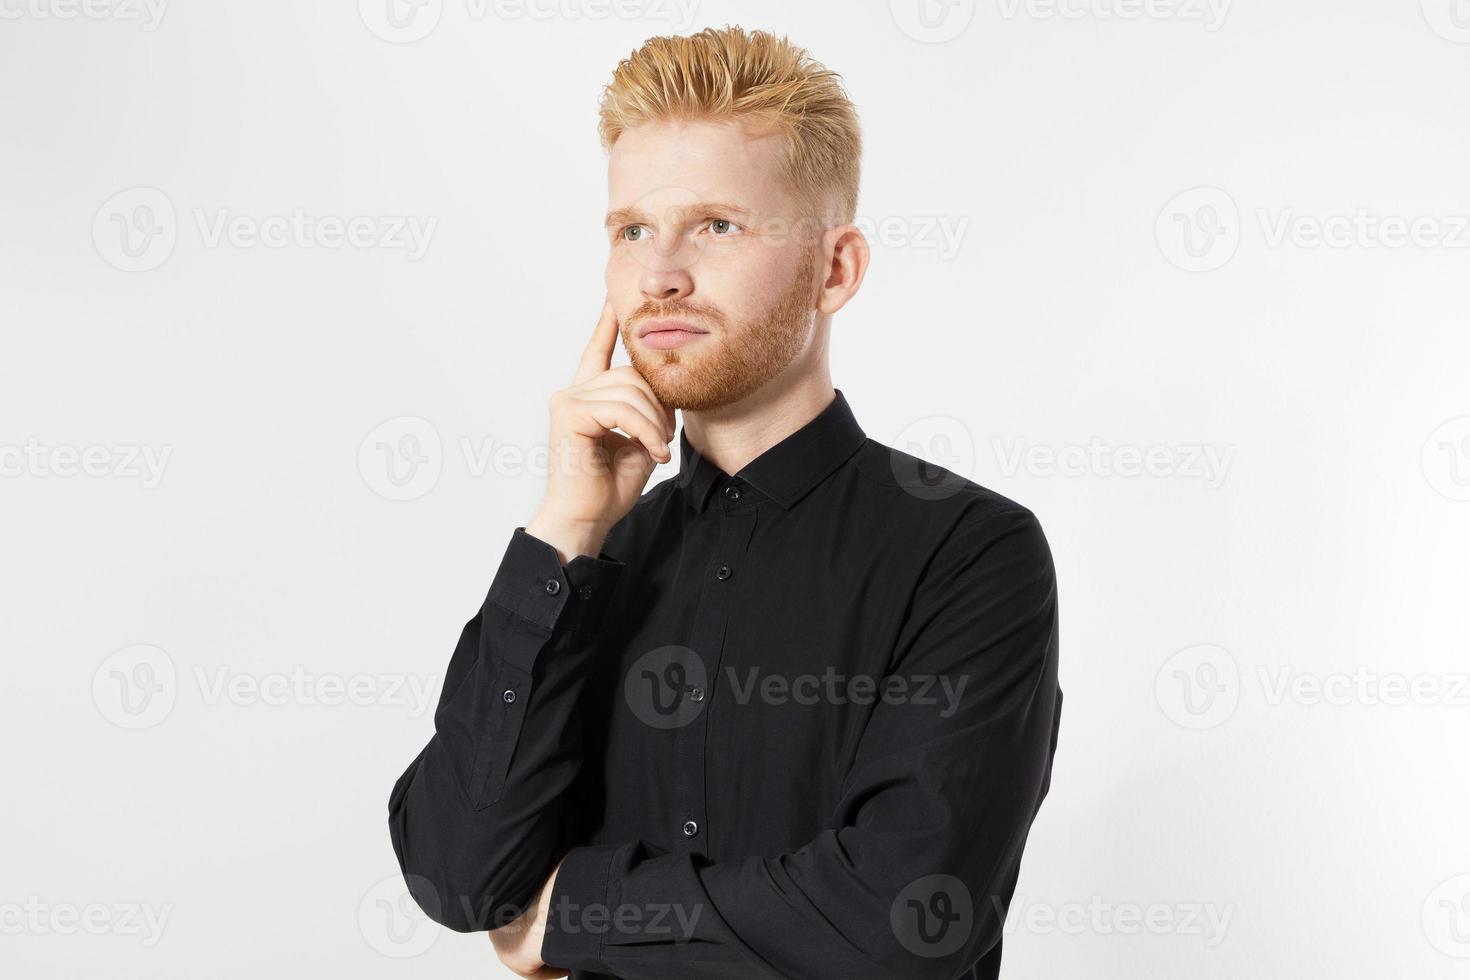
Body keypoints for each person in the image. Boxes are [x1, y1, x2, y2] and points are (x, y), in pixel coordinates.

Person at [387, 25, 1062, 980]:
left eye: (716, 224)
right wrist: (564, 532)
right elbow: (459, 878)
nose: (660, 272)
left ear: (836, 269)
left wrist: (573, 911)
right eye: (631, 230)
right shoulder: (590, 564)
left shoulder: (969, 552)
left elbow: (899, 922)